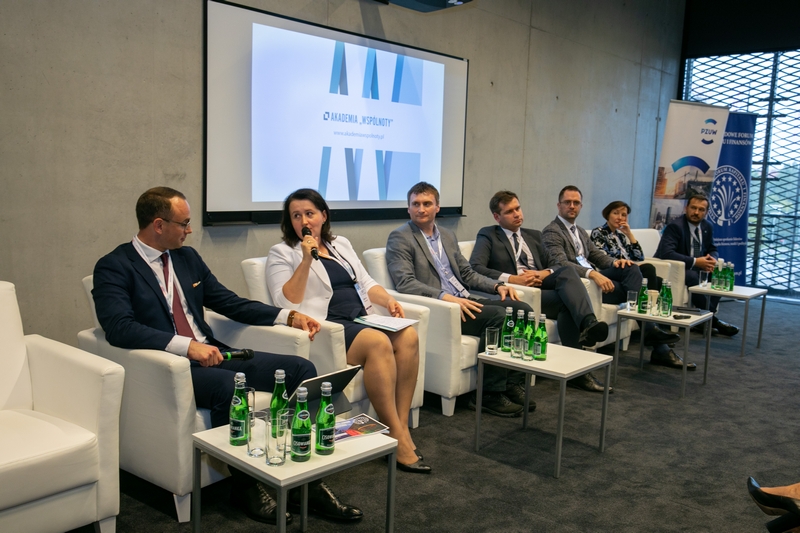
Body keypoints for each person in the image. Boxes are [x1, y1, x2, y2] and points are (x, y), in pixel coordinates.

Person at [92, 186, 362, 525]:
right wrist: (186, 346)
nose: (190, 230)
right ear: (159, 225)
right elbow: (119, 327)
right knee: (229, 386)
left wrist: (287, 316)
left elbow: (228, 302)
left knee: (301, 369)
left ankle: (304, 480)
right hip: (171, 365)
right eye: (184, 223)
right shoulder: (115, 266)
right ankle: (246, 487)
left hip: (216, 352)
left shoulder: (187, 258)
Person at [265, 188, 430, 474]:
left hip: (360, 317)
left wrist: (388, 300)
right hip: (327, 326)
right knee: (378, 343)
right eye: (296, 216)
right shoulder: (281, 253)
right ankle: (396, 435)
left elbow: (365, 282)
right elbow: (286, 303)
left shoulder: (340, 244)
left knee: (409, 335)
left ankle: (399, 426)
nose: (304, 220)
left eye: (309, 213)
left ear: (323, 216)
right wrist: (306, 260)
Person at [386, 182, 536, 417]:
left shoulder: (447, 235)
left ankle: (512, 384)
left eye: (427, 203)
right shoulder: (400, 237)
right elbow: (405, 282)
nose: (421, 209)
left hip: (465, 299)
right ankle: (488, 394)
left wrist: (497, 286)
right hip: (442, 309)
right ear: (408, 208)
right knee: (498, 316)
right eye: (415, 204)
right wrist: (444, 297)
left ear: (437, 207)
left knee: (523, 310)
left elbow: (467, 273)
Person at [468, 190, 613, 393]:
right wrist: (512, 279)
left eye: (518, 208)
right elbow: (476, 267)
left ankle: (589, 324)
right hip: (518, 292)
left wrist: (543, 273)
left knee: (568, 271)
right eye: (509, 211)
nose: (517, 214)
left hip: (541, 285)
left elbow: (557, 263)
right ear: (497, 217)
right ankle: (581, 360)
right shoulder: (489, 235)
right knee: (567, 304)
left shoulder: (534, 235)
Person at [541, 186, 679, 363]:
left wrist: (615, 262)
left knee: (631, 268)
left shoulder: (580, 231)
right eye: (567, 202)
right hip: (577, 284)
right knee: (634, 286)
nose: (572, 206)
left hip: (594, 279)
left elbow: (597, 255)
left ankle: (651, 330)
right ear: (559, 205)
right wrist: (592, 273)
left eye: (576, 202)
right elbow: (560, 263)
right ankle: (652, 334)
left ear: (581, 206)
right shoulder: (552, 231)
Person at [591, 200, 695, 371]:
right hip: (608, 274)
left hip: (626, 275)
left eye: (624, 215)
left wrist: (629, 234)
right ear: (607, 214)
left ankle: (655, 331)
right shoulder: (599, 233)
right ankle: (653, 328)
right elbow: (603, 260)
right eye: (616, 213)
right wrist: (626, 264)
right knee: (647, 269)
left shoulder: (622, 236)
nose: (620, 217)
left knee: (658, 281)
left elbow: (639, 256)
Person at [654, 194, 739, 336]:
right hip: (675, 268)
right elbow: (667, 253)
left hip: (698, 266)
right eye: (693, 208)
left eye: (701, 209)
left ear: (706, 212)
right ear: (686, 208)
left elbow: (712, 248)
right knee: (693, 276)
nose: (696, 212)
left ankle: (706, 318)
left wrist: (712, 260)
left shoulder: (707, 226)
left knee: (719, 273)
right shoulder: (675, 226)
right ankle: (711, 319)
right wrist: (695, 261)